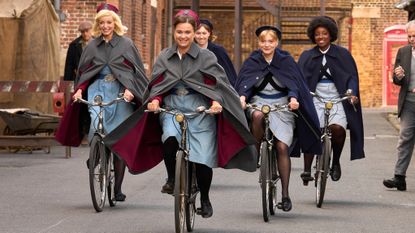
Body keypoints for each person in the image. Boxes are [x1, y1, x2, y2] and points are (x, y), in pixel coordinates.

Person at [103, 9, 257, 218]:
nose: (183, 37)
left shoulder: (206, 56)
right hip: (172, 106)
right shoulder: (165, 56)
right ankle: (172, 179)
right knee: (169, 138)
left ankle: (204, 197)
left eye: (187, 32)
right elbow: (157, 84)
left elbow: (216, 84)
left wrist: (215, 103)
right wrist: (155, 101)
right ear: (173, 32)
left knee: (202, 158)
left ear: (194, 33)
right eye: (179, 32)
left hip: (200, 108)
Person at [55, 3, 148, 202]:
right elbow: (84, 72)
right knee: (95, 127)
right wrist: (79, 90)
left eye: (109, 22)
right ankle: (96, 152)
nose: (106, 26)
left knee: (118, 139)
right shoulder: (91, 46)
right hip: (96, 90)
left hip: (120, 92)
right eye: (102, 23)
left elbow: (135, 73)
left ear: (115, 23)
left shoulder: (126, 44)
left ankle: (118, 189)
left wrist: (130, 91)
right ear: (98, 24)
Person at [235, 25, 322, 212]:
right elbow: (246, 83)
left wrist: (293, 98)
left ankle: (285, 194)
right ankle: (258, 151)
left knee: (282, 147)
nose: (266, 45)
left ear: (276, 43)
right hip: (258, 102)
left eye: (270, 41)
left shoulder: (286, 60)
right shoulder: (252, 60)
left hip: (282, 105)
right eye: (263, 41)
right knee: (257, 116)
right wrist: (242, 97)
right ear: (259, 43)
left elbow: (294, 83)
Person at [298, 16, 364, 185]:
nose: (320, 37)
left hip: (337, 97)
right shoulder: (307, 56)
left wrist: (352, 93)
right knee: (311, 129)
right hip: (315, 97)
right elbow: (299, 79)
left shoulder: (343, 54)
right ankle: (307, 169)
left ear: (331, 35)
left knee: (338, 129)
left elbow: (352, 78)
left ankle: (335, 162)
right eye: (317, 34)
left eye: (324, 33)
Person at [383, 20, 415, 191]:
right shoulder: (403, 52)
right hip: (409, 102)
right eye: (409, 36)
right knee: (405, 139)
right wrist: (399, 76)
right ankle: (399, 177)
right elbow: (397, 79)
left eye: (414, 36)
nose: (411, 39)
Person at [194, 19, 238, 86]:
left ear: (209, 33)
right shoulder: (190, 50)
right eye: (198, 33)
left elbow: (229, 73)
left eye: (204, 33)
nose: (201, 36)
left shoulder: (218, 50)